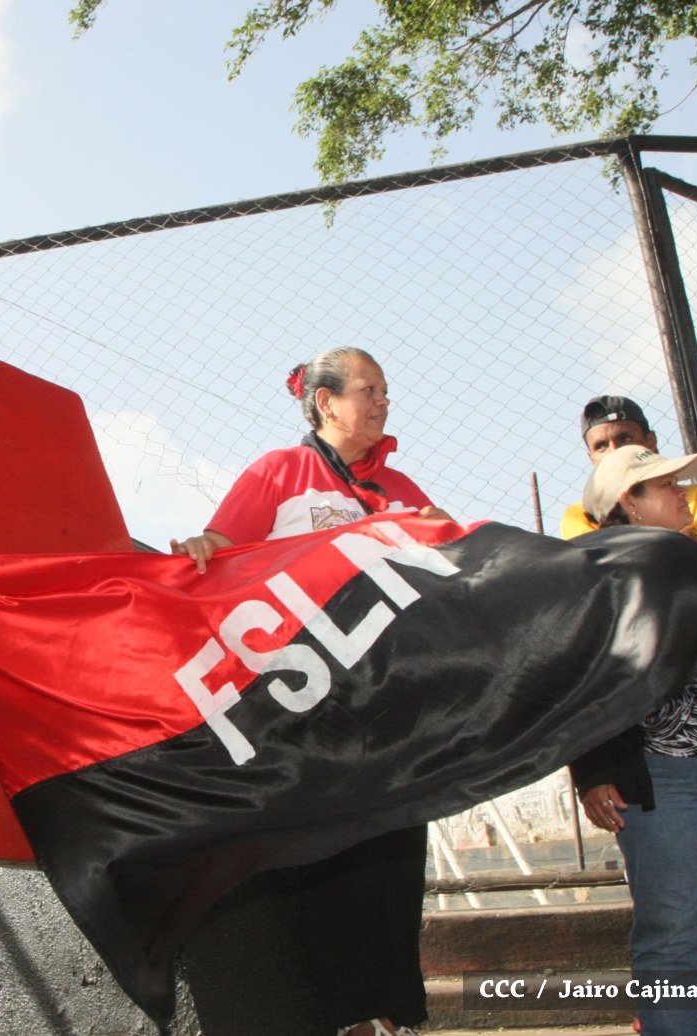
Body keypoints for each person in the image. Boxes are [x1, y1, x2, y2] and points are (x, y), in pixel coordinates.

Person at [173, 346, 449, 1036]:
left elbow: (447, 562)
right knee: (325, 861)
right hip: (308, 711)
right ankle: (339, 1017)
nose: (383, 402)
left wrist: (448, 533)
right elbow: (221, 551)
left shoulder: (400, 488)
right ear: (325, 402)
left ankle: (387, 1011)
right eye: (368, 390)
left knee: (391, 859)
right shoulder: (279, 472)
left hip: (392, 711)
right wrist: (198, 550)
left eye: (384, 390)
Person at [569, 444, 697, 1036]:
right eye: (665, 485)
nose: (682, 493)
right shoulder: (595, 581)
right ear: (628, 503)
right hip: (662, 777)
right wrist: (592, 771)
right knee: (670, 936)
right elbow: (578, 681)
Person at [559, 394, 697, 555]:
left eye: (625, 438)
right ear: (592, 458)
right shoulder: (582, 515)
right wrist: (690, 538)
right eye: (601, 446)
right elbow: (607, 566)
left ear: (651, 441)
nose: (615, 451)